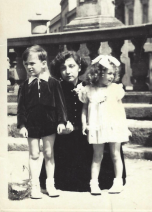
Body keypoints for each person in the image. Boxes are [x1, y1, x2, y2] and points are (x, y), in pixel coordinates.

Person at [17, 45, 67, 199]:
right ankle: (34, 186)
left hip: (49, 124)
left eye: (32, 63)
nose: (29, 67)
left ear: (44, 63)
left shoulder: (53, 83)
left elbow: (61, 104)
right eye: (26, 64)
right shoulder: (24, 86)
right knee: (33, 154)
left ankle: (50, 184)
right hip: (32, 125)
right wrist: (22, 125)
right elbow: (21, 108)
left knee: (48, 153)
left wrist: (62, 121)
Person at [39, 50, 91, 192]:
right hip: (63, 135)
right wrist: (61, 123)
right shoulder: (55, 88)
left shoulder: (88, 87)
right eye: (63, 68)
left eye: (71, 66)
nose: (67, 71)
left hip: (84, 134)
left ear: (79, 67)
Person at [79, 55, 129, 195]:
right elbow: (84, 109)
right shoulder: (89, 89)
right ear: (98, 73)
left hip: (113, 125)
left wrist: (122, 126)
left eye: (113, 74)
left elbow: (120, 109)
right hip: (96, 126)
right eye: (109, 73)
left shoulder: (115, 89)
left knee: (115, 154)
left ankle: (118, 181)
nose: (112, 77)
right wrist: (84, 123)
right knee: (97, 155)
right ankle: (94, 183)